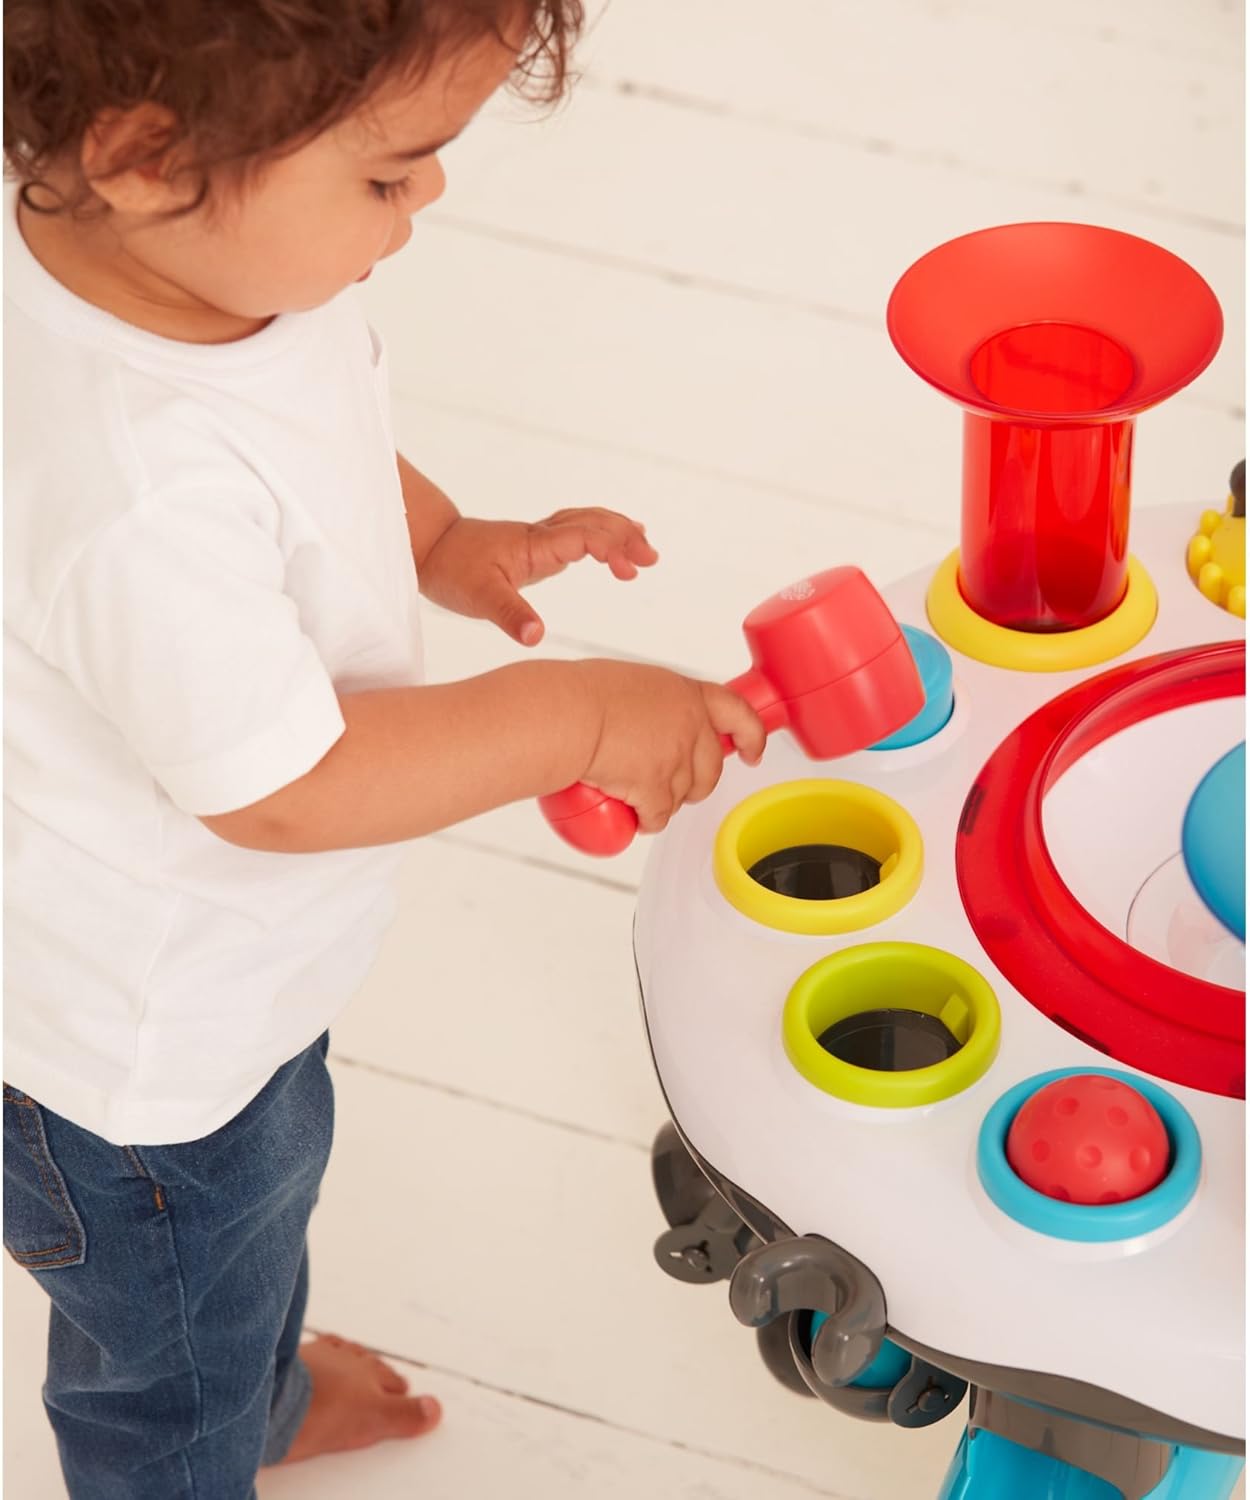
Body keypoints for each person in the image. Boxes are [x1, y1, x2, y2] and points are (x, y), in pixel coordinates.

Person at [2, 3, 766, 1495]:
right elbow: (288, 791)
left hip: (206, 990)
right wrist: (582, 714)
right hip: (138, 1056)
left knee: (236, 1250)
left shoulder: (176, 282)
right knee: (172, 1367)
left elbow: (310, 415)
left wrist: (441, 538)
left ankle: (254, 1388)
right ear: (149, 157)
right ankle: (229, 1422)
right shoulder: (137, 495)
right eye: (389, 175)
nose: (425, 206)